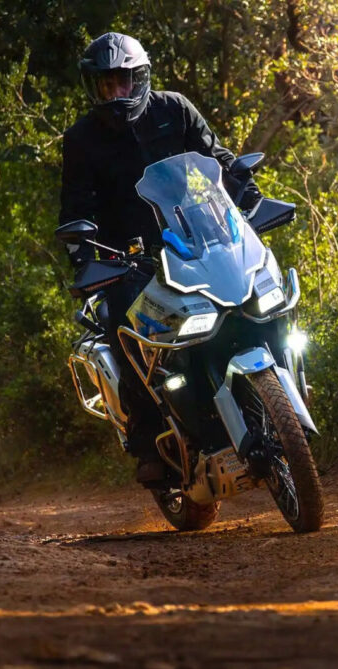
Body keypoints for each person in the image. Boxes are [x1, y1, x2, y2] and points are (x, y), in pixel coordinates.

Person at [58, 32, 261, 485]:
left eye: (124, 82)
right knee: (122, 326)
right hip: (127, 256)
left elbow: (218, 158)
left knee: (246, 294)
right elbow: (75, 208)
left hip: (196, 235)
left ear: (140, 78)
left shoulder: (174, 109)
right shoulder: (81, 139)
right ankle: (149, 436)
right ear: (93, 88)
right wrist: (85, 256)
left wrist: (244, 188)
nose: (116, 93)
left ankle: (261, 398)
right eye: (106, 85)